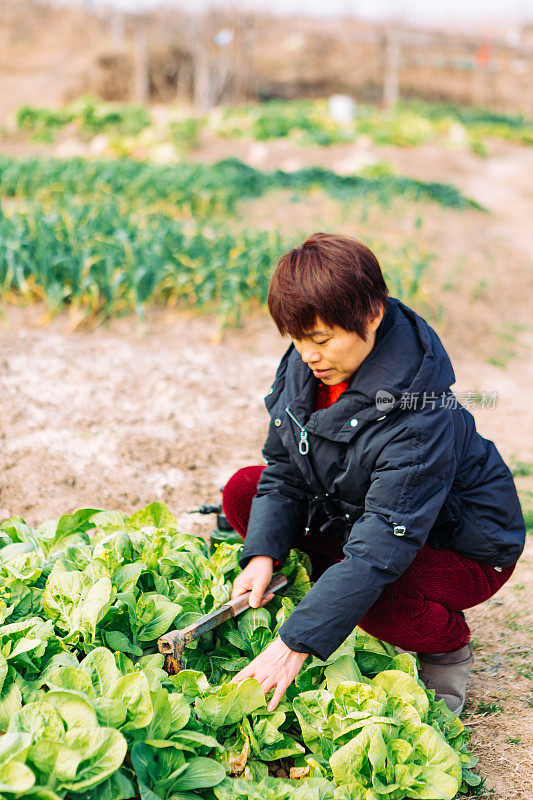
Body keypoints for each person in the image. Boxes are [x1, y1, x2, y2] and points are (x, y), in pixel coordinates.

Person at [224, 232, 525, 716]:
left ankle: (447, 646)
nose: (307, 355)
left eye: (321, 340)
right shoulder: (308, 366)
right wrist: (261, 555)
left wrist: (295, 642)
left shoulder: (420, 412)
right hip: (365, 510)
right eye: (297, 339)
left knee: (380, 599)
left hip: (463, 545)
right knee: (245, 489)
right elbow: (283, 470)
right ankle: (333, 586)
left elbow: (385, 539)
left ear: (371, 316)